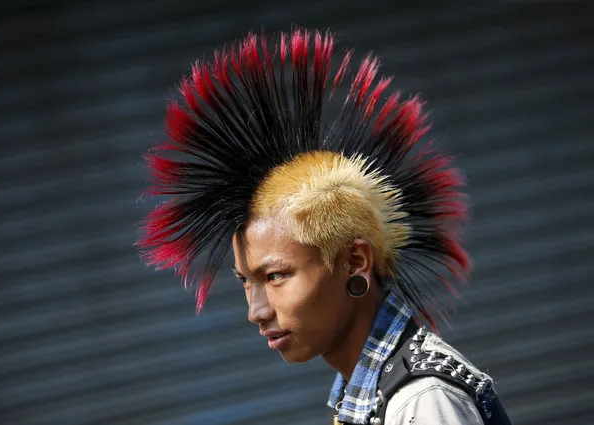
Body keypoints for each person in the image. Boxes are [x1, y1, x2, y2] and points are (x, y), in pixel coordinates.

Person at [136, 28, 511, 425]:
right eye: (246, 281)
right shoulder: (365, 398)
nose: (256, 311)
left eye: (276, 275)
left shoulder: (421, 403)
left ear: (355, 261)